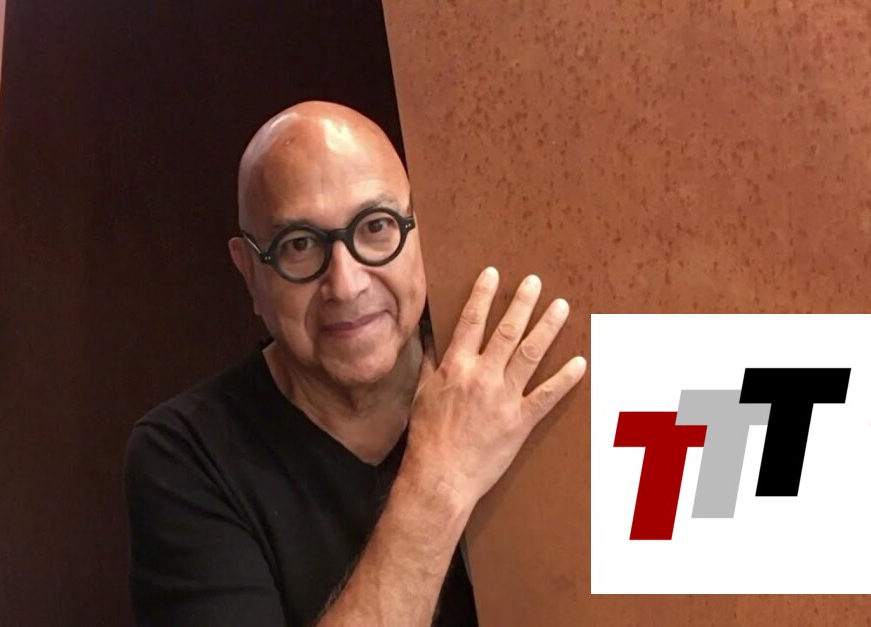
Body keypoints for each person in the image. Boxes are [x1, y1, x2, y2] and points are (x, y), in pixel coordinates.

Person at [125, 100, 587, 626]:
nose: (346, 285)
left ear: (423, 228)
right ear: (249, 271)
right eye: (300, 244)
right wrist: (439, 477)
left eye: (376, 226)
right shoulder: (185, 453)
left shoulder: (510, 386)